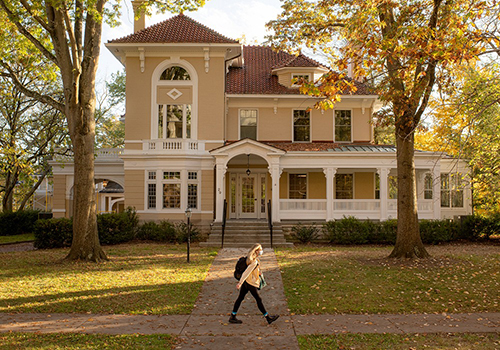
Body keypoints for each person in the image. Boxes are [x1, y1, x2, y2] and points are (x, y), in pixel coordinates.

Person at [229, 243, 279, 325]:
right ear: (256, 251)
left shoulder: (250, 259)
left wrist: (258, 272)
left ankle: (233, 316)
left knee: (240, 298)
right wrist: (240, 283)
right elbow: (246, 273)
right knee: (258, 299)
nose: (261, 251)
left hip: (247, 282)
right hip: (250, 283)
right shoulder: (253, 262)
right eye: (260, 250)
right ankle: (268, 317)